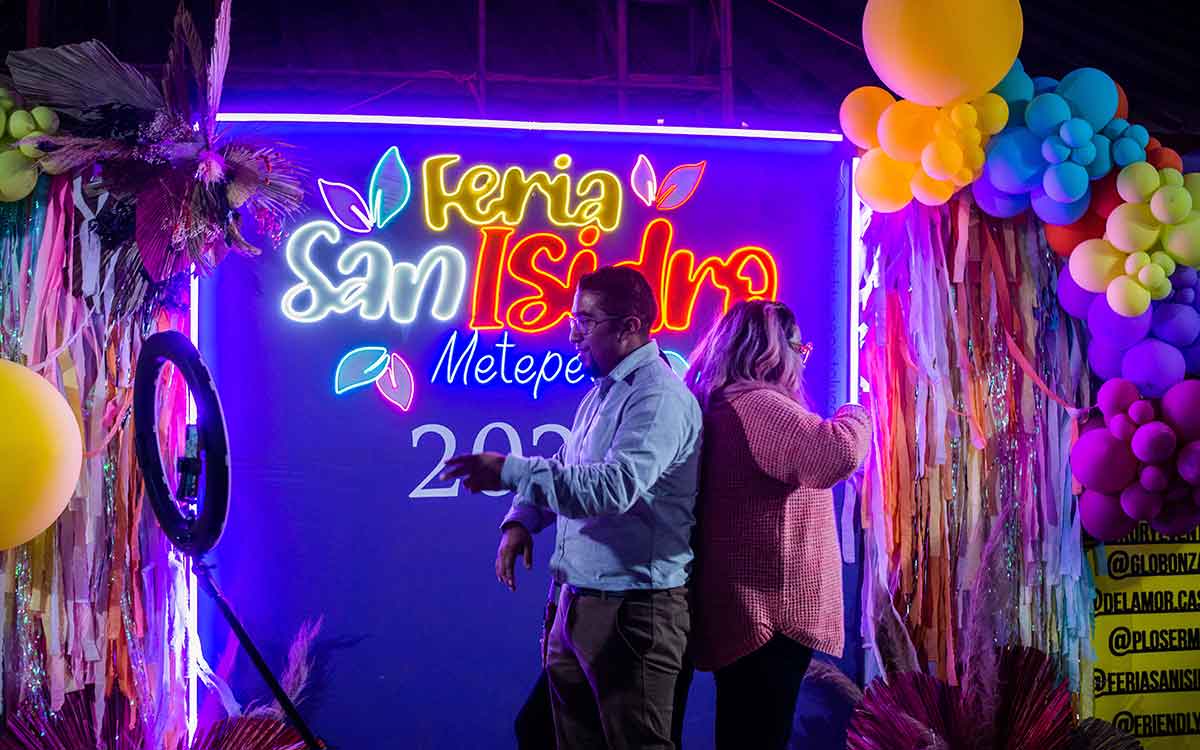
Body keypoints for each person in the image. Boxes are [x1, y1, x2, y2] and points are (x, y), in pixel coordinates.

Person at [443, 265, 702, 750]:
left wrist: (508, 469)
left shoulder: (659, 398)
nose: (573, 333)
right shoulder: (601, 395)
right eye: (573, 318)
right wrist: (521, 519)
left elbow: (612, 488)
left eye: (587, 321)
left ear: (630, 327)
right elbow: (567, 465)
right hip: (577, 601)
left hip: (633, 612)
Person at [683, 300, 870, 750]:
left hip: (747, 608)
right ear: (770, 349)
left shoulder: (724, 406)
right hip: (770, 614)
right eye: (798, 349)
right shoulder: (759, 404)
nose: (800, 362)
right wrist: (857, 412)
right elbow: (834, 454)